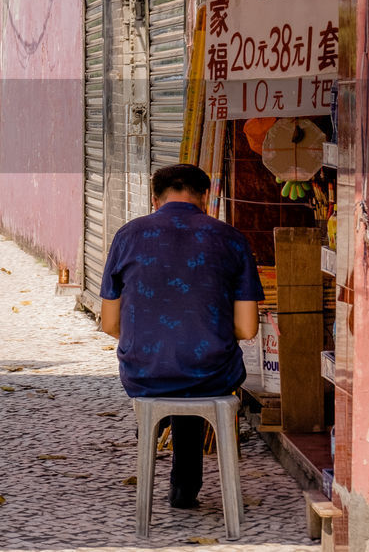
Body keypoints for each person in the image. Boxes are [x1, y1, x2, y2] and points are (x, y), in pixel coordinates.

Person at [99, 163, 262, 510]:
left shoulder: (127, 235)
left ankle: (152, 431)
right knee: (196, 363)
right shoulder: (230, 238)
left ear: (154, 199)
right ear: (205, 196)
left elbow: (110, 325)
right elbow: (247, 329)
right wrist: (207, 326)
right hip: (211, 372)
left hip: (144, 370)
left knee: (169, 365)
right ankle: (185, 485)